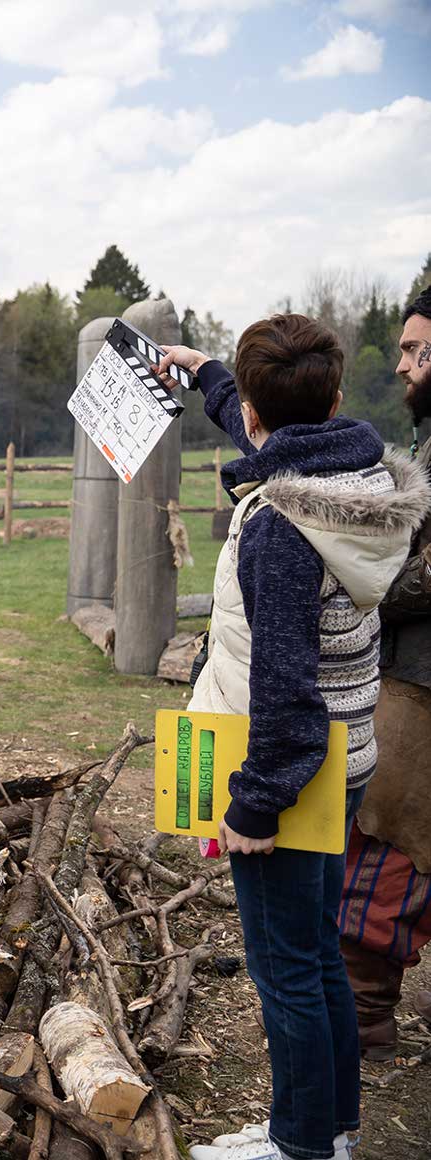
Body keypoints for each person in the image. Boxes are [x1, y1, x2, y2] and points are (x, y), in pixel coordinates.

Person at [153, 315, 428, 1160]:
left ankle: (300, 1144)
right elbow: (262, 427)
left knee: (286, 971)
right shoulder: (359, 473)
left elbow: (282, 688)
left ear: (262, 413)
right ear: (338, 397)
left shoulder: (279, 527)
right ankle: (334, 1128)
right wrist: (204, 371)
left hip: (289, 767)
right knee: (314, 948)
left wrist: (255, 805)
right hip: (346, 754)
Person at [337, 286, 431, 1058]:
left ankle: (365, 1014)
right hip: (411, 665)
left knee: (388, 833)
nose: (402, 361)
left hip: (425, 681)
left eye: (414, 348)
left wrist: (363, 591)